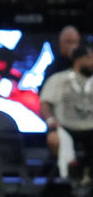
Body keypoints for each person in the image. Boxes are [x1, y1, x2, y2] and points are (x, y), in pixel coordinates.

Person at [40, 45, 93, 185]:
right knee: (54, 139)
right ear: (79, 59)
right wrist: (50, 121)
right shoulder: (58, 79)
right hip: (65, 127)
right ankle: (67, 177)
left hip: (90, 127)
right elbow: (45, 103)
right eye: (90, 58)